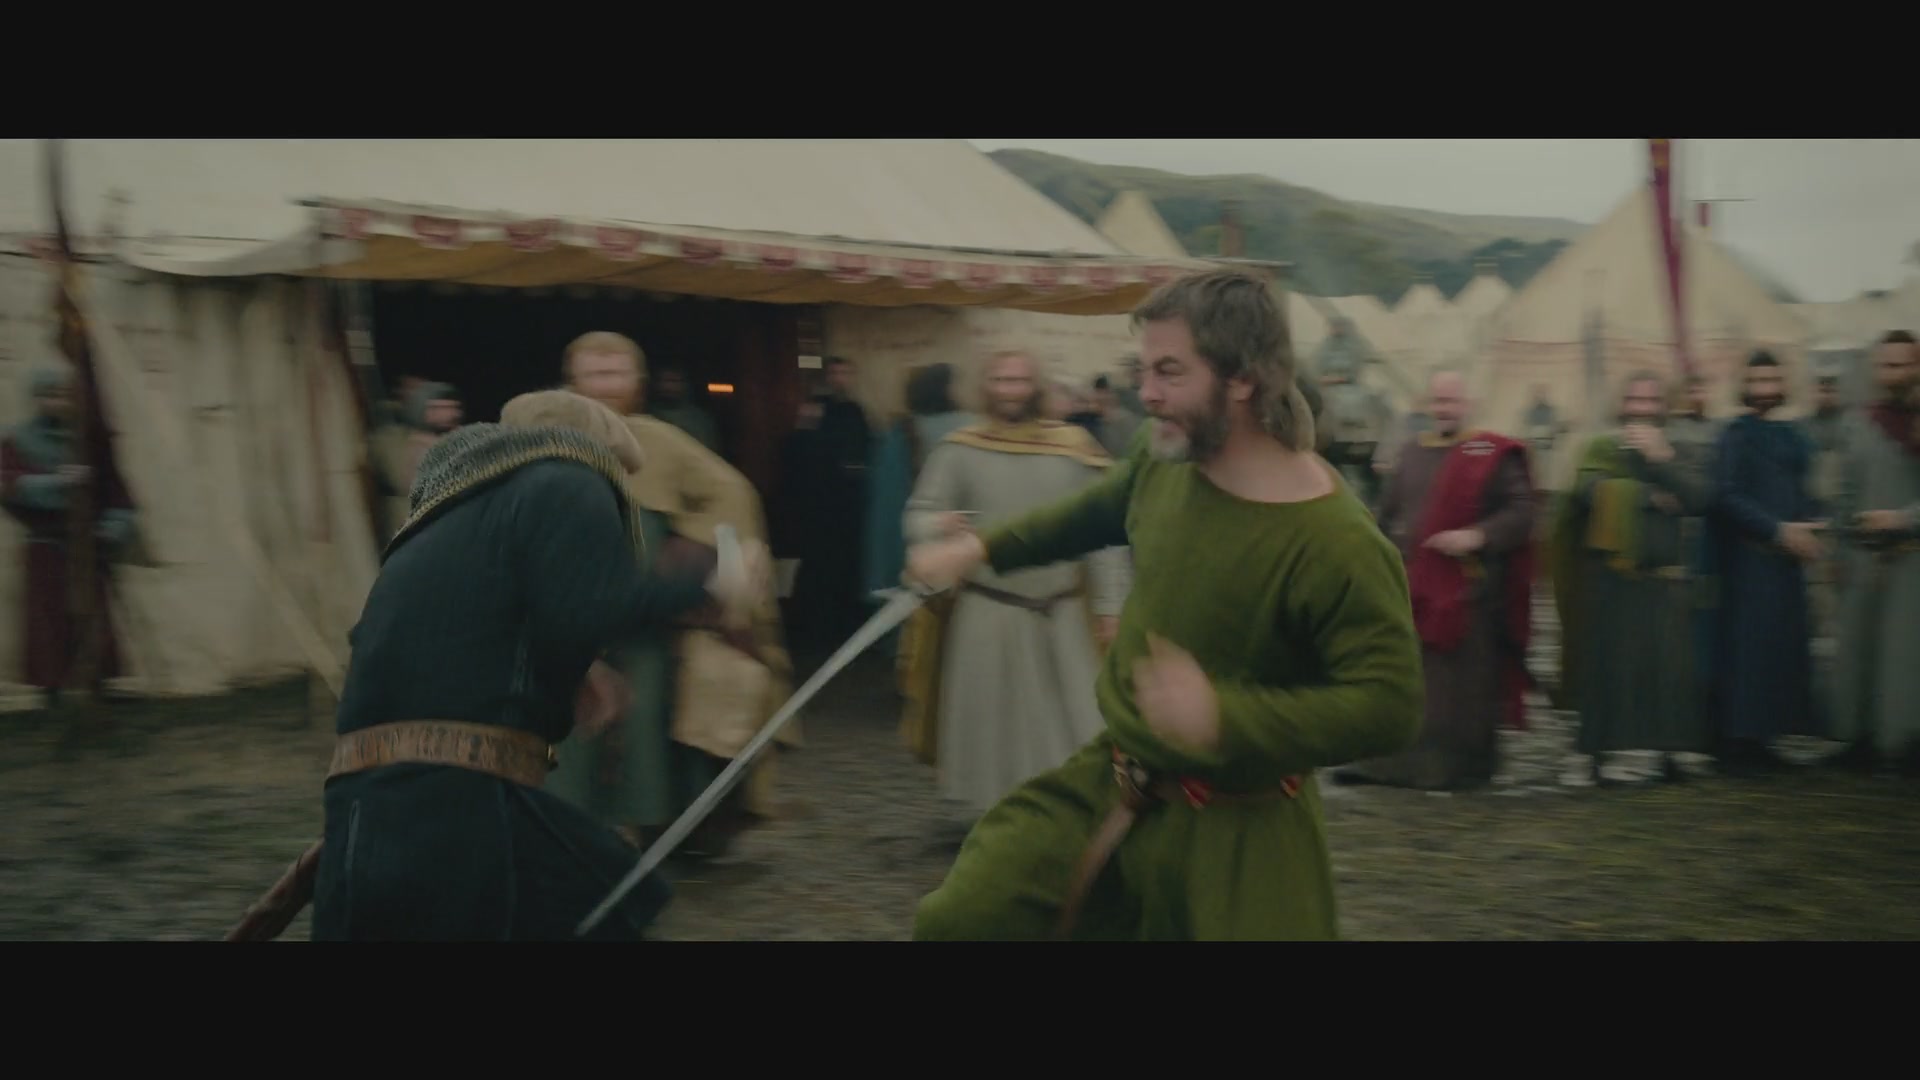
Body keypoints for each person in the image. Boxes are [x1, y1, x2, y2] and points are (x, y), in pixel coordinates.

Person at [903, 269, 1421, 941]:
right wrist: (979, 549)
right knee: (962, 921)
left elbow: (1389, 705)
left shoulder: (1337, 542)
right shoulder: (1163, 455)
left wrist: (1223, 716)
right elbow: (1097, 511)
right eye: (1143, 370)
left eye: (1170, 372)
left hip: (1242, 829)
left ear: (1242, 378)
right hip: (1113, 780)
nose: (1146, 393)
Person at [301, 390, 768, 941]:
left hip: (374, 798)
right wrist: (712, 583)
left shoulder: (449, 514)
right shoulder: (569, 477)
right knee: (602, 909)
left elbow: (477, 622)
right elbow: (593, 606)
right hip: (456, 804)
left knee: (603, 899)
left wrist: (570, 672)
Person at [557, 331, 796, 856]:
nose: (605, 386)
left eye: (616, 373)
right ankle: (569, 832)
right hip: (568, 614)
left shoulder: (661, 443)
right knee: (569, 725)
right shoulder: (545, 440)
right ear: (572, 382)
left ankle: (644, 831)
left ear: (637, 382)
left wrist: (707, 557)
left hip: (647, 617)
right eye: (594, 374)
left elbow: (731, 495)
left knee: (645, 719)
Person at [898, 349, 1128, 818]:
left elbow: (1105, 533)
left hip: (1062, 613)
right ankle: (999, 823)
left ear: (1036, 386)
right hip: (989, 611)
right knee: (993, 729)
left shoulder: (1074, 449)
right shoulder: (960, 450)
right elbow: (917, 516)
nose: (1010, 391)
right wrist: (937, 525)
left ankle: (1068, 816)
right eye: (1001, 380)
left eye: (1019, 381)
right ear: (986, 387)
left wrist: (1112, 605)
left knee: (1075, 725)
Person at [1339, 369, 1535, 791]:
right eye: (1438, 401)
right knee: (1403, 679)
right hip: (1413, 588)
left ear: (1469, 404)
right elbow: (1386, 513)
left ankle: (1456, 768)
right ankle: (1394, 765)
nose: (1444, 409)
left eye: (1452, 401)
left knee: (1459, 693)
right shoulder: (1411, 452)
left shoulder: (1490, 453)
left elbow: (1522, 511)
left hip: (1468, 592)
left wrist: (1476, 535)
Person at [1548, 372, 1714, 785]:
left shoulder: (1679, 449)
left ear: (1664, 406)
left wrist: (1661, 460)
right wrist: (1646, 496)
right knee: (1606, 670)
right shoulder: (1602, 447)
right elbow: (1587, 490)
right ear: (1622, 405)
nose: (1642, 408)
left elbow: (1700, 497)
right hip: (1611, 578)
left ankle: (1670, 754)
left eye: (1651, 400)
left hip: (1664, 579)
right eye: (1634, 400)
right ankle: (1594, 754)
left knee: (1668, 670)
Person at [1706, 351, 1826, 774]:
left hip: (1787, 561)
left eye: (1771, 381)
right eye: (1757, 381)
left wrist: (1812, 521)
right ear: (1745, 386)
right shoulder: (1735, 435)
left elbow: (1802, 488)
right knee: (1748, 651)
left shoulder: (1794, 436)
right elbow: (1727, 495)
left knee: (1779, 648)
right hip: (1750, 559)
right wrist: (1776, 529)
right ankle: (1739, 744)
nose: (1764, 389)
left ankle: (1764, 738)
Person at [0, 366, 137, 708]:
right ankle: (50, 687)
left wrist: (112, 528)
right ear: (37, 398)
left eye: (63, 394)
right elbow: (8, 486)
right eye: (49, 394)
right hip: (46, 542)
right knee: (48, 616)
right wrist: (57, 482)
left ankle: (101, 680)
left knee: (93, 612)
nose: (57, 401)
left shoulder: (90, 442)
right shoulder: (16, 440)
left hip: (88, 542)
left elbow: (117, 494)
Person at [1828, 330, 1920, 776]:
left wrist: (1903, 518)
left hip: (1913, 557)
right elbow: (1845, 491)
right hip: (1864, 557)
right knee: (1859, 651)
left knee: (1905, 657)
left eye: (1901, 365)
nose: (1891, 374)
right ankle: (1858, 739)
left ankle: (1904, 744)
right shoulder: (1858, 423)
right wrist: (1840, 548)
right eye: (1885, 365)